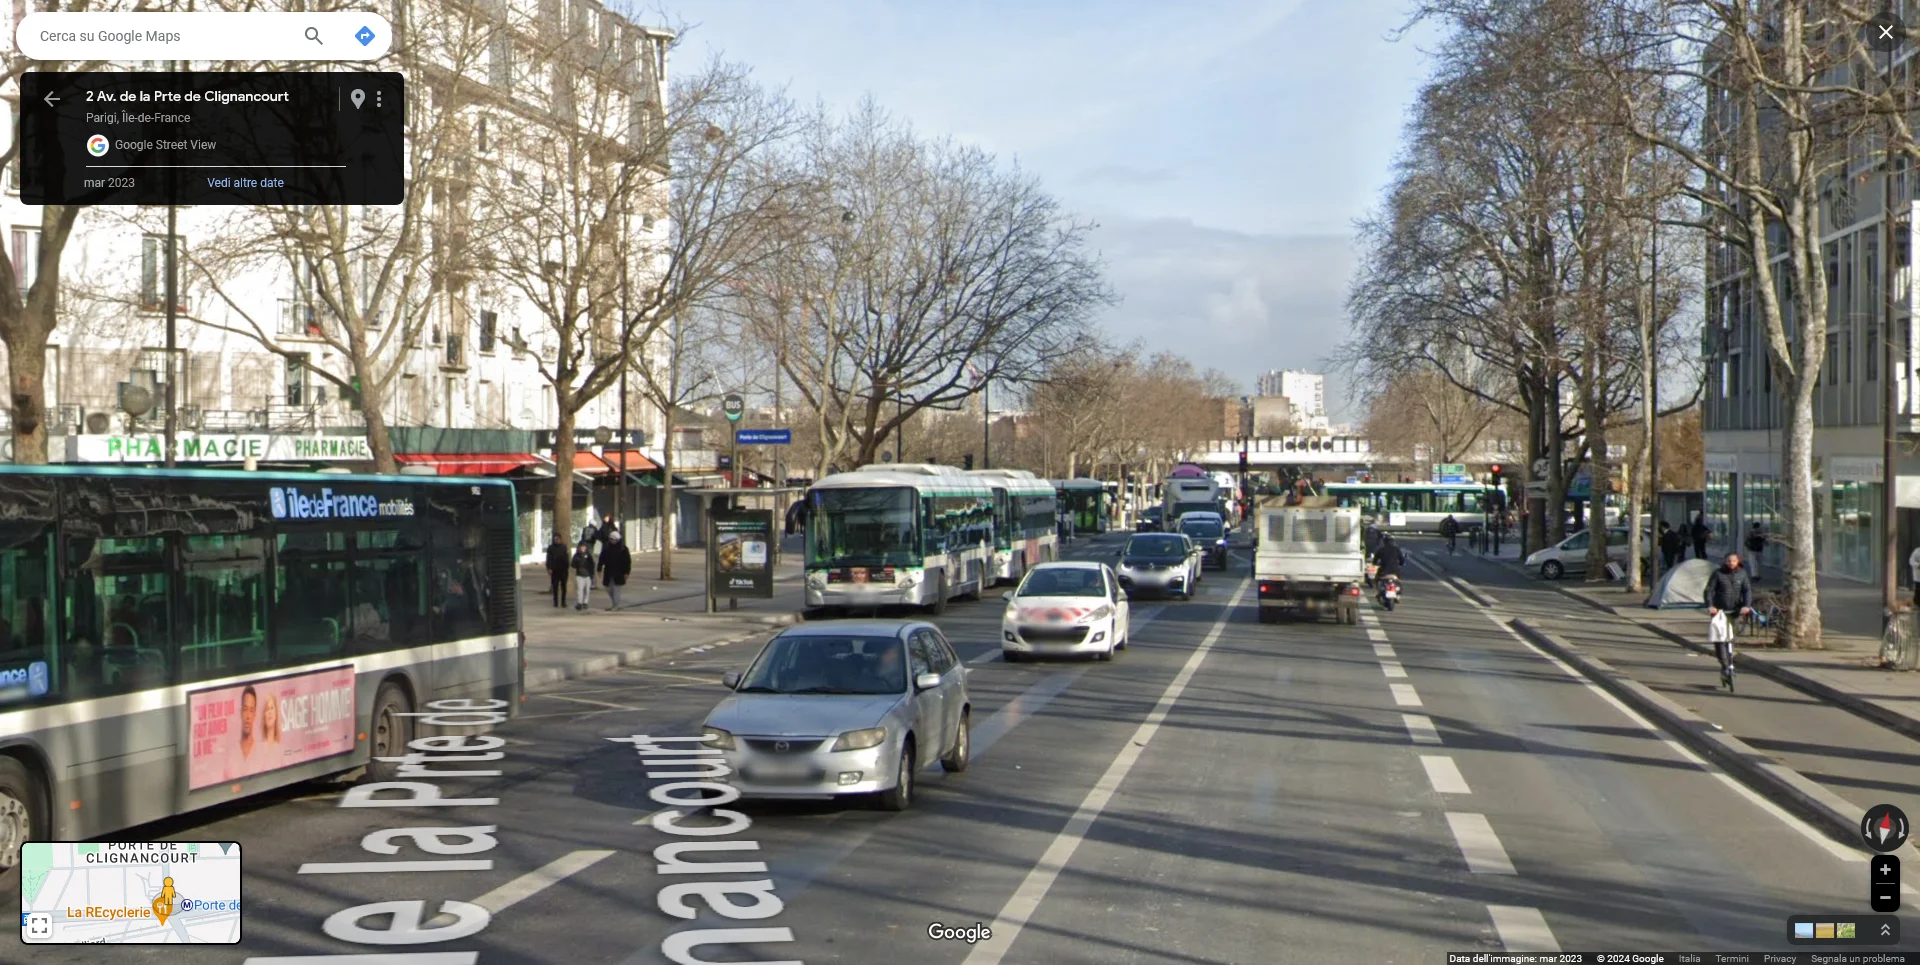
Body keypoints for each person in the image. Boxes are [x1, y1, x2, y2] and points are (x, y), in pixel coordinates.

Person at [1706, 552, 1753, 690]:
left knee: (1731, 639)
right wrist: (1710, 606)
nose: (1731, 563)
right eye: (1728, 561)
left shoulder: (1742, 574)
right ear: (1725, 561)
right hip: (1720, 612)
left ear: (1738, 561)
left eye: (1733, 561)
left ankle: (1729, 663)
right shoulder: (1718, 574)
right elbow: (1710, 591)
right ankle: (1725, 666)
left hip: (1735, 611)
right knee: (1721, 640)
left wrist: (1746, 605)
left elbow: (1747, 591)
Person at [599, 529, 632, 611]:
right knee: (608, 588)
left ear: (617, 540)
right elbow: (601, 559)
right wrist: (599, 569)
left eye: (613, 539)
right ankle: (614, 603)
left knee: (616, 589)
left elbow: (627, 562)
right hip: (608, 572)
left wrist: (626, 572)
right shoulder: (606, 548)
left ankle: (616, 605)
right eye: (610, 539)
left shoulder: (623, 549)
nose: (612, 541)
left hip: (619, 572)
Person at [544, 534, 569, 608]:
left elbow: (566, 557)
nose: (557, 540)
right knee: (555, 586)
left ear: (561, 539)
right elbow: (548, 558)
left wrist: (567, 566)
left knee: (564, 587)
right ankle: (555, 602)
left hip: (563, 570)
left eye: (558, 539)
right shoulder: (551, 548)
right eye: (555, 539)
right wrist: (549, 568)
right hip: (554, 570)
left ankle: (563, 602)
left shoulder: (564, 547)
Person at [570, 541, 596, 610]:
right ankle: (579, 603)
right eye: (581, 546)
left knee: (587, 590)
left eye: (584, 547)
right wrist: (577, 562)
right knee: (580, 589)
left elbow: (592, 565)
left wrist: (592, 574)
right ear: (579, 547)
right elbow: (573, 565)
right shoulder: (576, 555)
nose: (582, 548)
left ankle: (585, 602)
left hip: (588, 575)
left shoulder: (588, 555)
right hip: (579, 575)